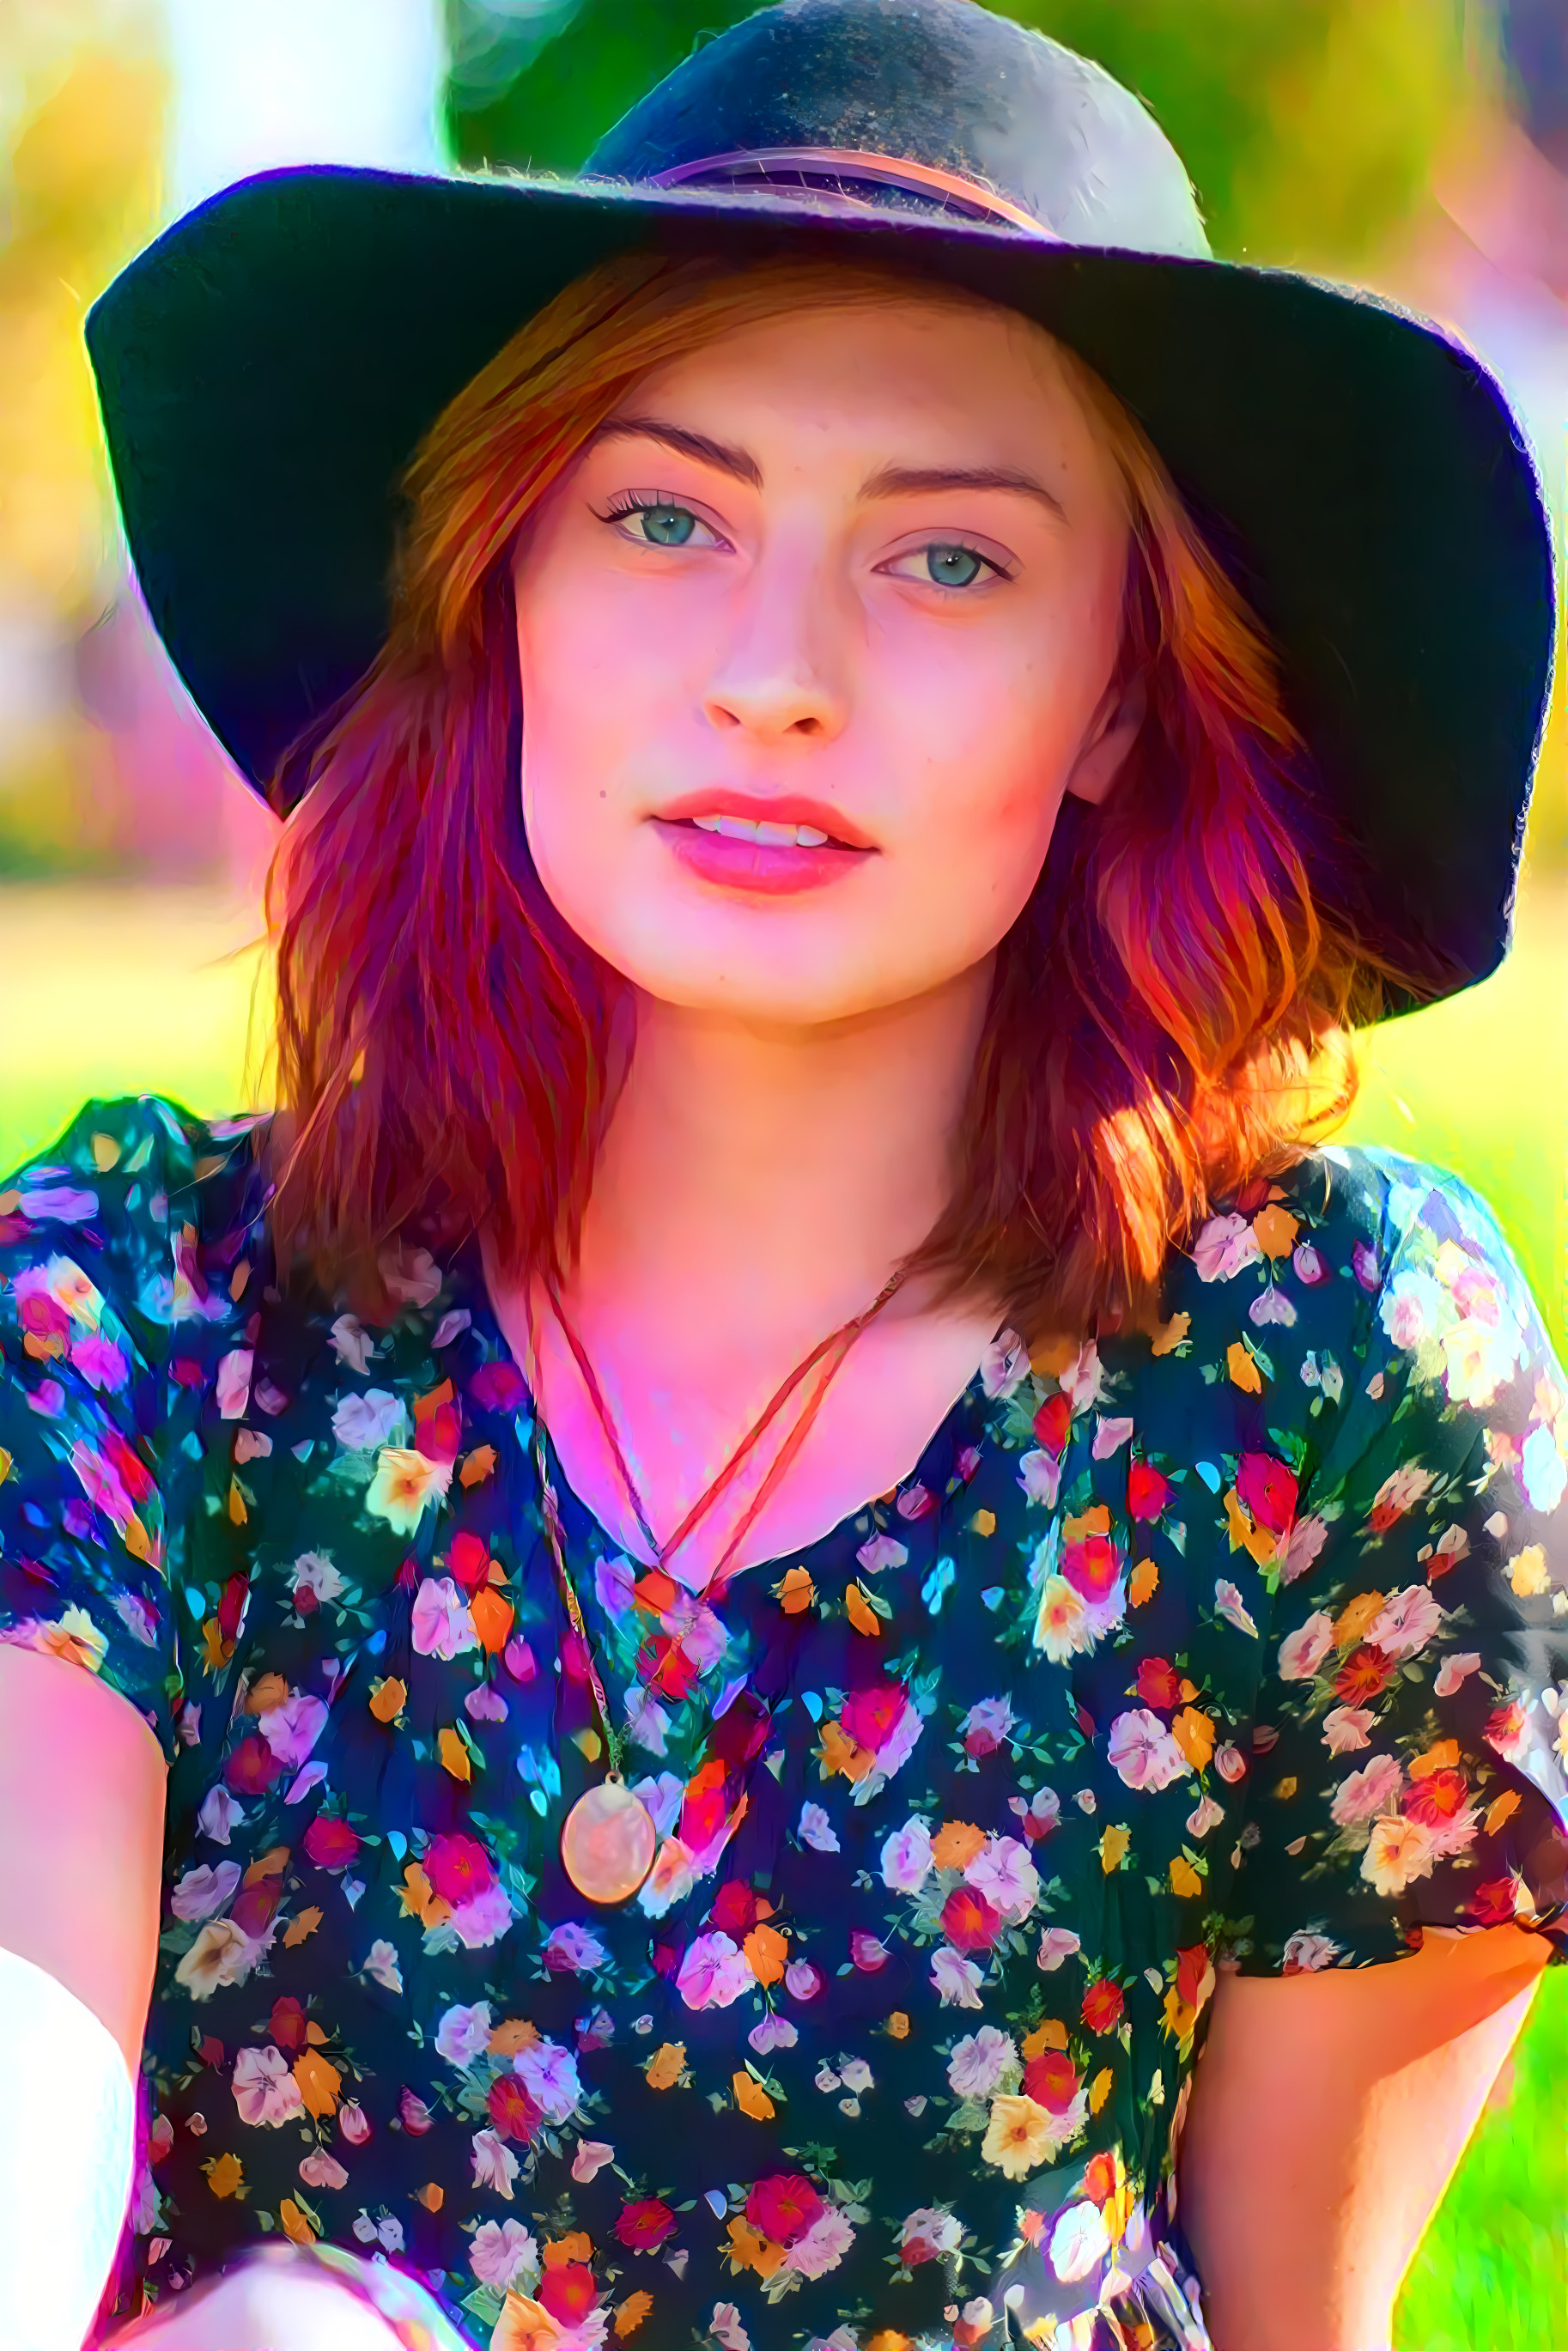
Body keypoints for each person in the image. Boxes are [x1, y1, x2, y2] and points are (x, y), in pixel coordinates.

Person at [0, 3, 1563, 2347]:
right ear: (499, 590)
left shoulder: (1331, 1377)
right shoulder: (140, 1312)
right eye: (660, 516)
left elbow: (1292, 2313)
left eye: (943, 560)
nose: (773, 675)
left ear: (1124, 693)